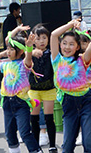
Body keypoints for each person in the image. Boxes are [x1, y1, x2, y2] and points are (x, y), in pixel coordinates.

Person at [0, 26, 42, 153]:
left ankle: (35, 151)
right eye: (8, 49)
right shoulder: (6, 64)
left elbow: (28, 57)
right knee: (9, 133)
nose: (9, 52)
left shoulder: (24, 65)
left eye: (12, 50)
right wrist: (2, 53)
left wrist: (28, 47)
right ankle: (14, 150)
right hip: (7, 102)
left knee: (24, 132)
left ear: (20, 51)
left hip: (21, 102)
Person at [50, 20, 91, 153]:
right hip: (68, 103)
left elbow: (90, 49)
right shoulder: (57, 59)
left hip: (86, 101)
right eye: (64, 43)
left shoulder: (82, 60)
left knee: (88, 143)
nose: (67, 47)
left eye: (71, 44)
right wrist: (70, 24)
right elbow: (54, 35)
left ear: (77, 47)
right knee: (67, 146)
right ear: (60, 44)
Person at [29, 25, 57, 153]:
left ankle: (52, 145)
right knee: (33, 119)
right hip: (34, 90)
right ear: (33, 40)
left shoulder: (51, 53)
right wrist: (30, 51)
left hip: (49, 90)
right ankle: (36, 146)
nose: (41, 41)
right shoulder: (29, 53)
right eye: (38, 38)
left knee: (49, 118)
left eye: (44, 38)